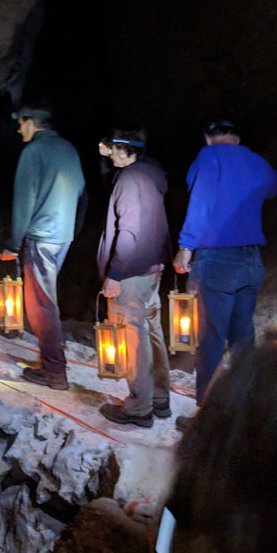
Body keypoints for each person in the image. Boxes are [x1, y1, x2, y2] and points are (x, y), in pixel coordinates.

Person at [173, 119, 277, 406]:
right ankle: (244, 409)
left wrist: (186, 245)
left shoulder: (210, 156)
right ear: (237, 138)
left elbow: (201, 199)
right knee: (243, 338)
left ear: (208, 139)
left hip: (218, 260)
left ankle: (206, 415)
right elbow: (272, 187)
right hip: (250, 260)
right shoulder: (256, 160)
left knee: (210, 340)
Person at [0, 102, 86, 390]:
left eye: (21, 122)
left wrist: (13, 244)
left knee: (40, 304)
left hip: (42, 237)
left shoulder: (33, 152)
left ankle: (54, 370)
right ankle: (51, 361)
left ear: (33, 123)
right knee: (46, 299)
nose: (19, 128)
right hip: (63, 236)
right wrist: (74, 229)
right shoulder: (69, 150)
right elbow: (82, 195)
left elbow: (24, 202)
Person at [94, 129, 173, 428]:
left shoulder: (129, 179)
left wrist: (114, 275)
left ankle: (139, 407)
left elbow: (127, 232)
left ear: (128, 150)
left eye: (114, 149)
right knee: (151, 329)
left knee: (132, 334)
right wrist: (105, 162)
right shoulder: (152, 173)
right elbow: (111, 183)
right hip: (153, 265)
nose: (111, 153)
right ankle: (159, 399)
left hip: (132, 271)